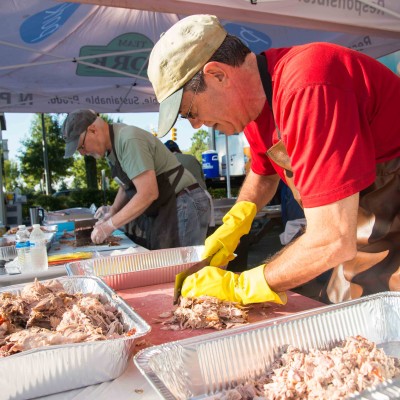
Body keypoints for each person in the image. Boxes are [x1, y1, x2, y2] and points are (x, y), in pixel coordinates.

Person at [147, 14, 400, 304]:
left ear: (217, 74)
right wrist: (237, 221)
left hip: (389, 207)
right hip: (350, 219)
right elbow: (264, 171)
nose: (194, 125)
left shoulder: (308, 86)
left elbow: (332, 240)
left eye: (189, 111)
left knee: (374, 311)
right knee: (311, 294)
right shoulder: (255, 109)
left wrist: (241, 287)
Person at [62, 109, 211, 250]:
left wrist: (110, 226)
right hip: (170, 205)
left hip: (184, 202)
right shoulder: (111, 150)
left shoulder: (128, 139)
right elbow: (126, 185)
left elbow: (148, 193)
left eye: (81, 146)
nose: (82, 153)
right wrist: (112, 213)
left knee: (184, 271)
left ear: (93, 130)